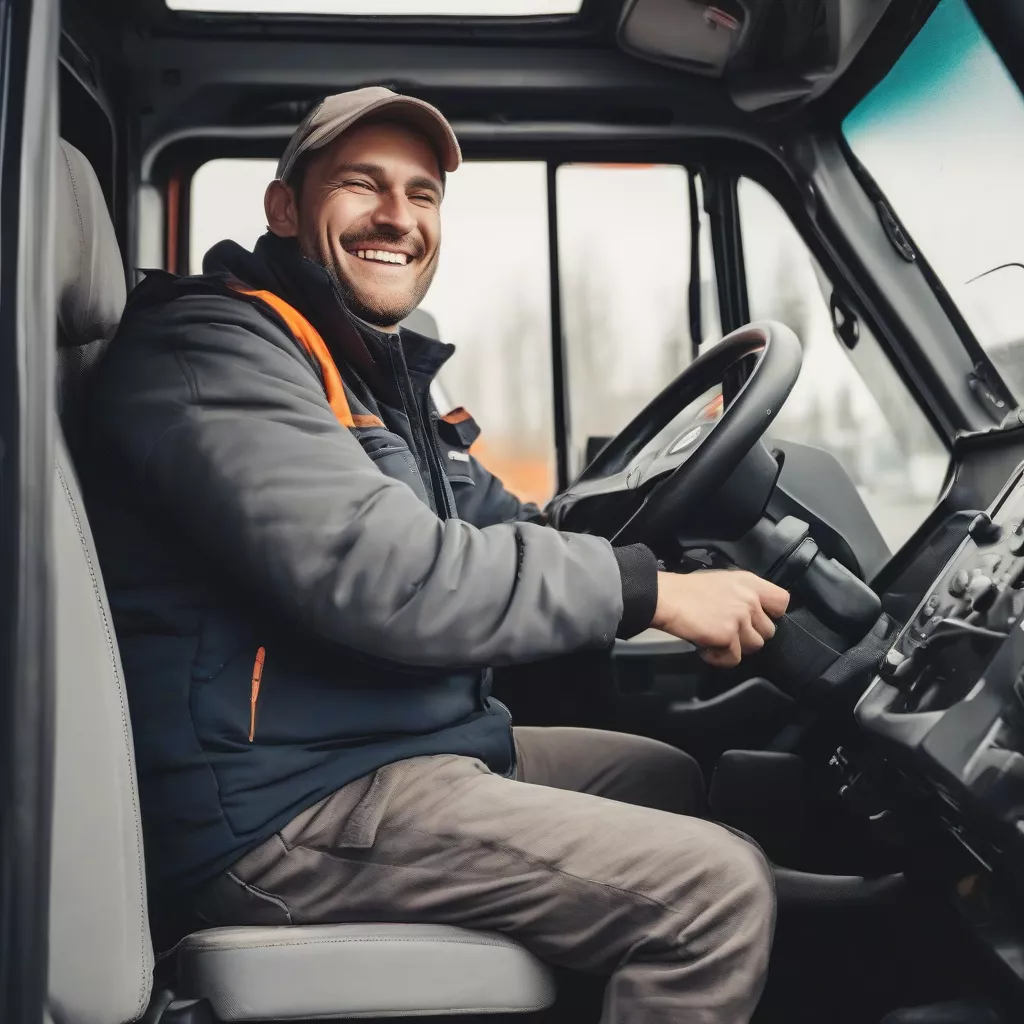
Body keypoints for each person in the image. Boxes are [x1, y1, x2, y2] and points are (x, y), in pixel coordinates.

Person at [81, 86, 790, 1024]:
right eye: (361, 186)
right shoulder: (214, 350)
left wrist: (640, 535)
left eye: (422, 195)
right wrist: (647, 592)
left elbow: (497, 520)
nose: (397, 217)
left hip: (384, 748)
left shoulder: (362, 364)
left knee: (664, 777)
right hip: (280, 813)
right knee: (715, 892)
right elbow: (394, 575)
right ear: (285, 208)